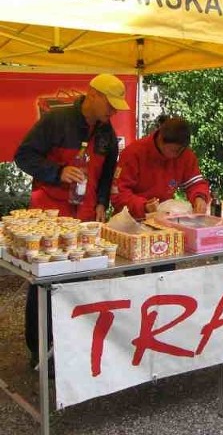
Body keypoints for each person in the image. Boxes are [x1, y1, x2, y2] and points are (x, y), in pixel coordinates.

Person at [14, 73, 129, 368]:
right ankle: (40, 351)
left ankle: (72, 347)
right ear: (93, 95)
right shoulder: (56, 121)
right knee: (45, 283)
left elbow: (107, 174)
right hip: (50, 218)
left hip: (86, 219)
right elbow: (23, 156)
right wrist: (57, 172)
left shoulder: (106, 132)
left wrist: (103, 202)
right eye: (110, 105)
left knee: (80, 282)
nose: (113, 112)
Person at [110, 116, 209, 219]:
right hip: (131, 221)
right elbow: (118, 195)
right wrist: (144, 206)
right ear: (160, 139)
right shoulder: (133, 153)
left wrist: (200, 197)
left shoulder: (184, 155)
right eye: (174, 150)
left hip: (164, 221)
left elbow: (195, 183)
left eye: (181, 150)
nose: (177, 155)